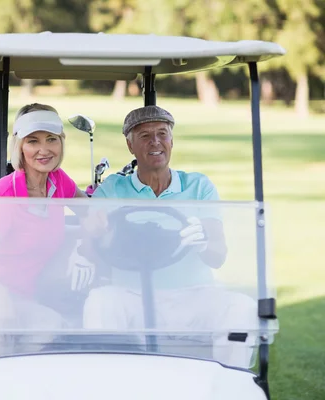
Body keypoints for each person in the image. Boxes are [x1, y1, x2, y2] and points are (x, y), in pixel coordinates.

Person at [80, 105, 259, 368]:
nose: (156, 142)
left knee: (241, 308)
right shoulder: (111, 189)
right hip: (132, 296)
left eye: (162, 134)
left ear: (172, 140)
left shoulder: (198, 186)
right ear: (130, 146)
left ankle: (226, 387)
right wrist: (100, 241)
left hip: (193, 296)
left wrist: (203, 243)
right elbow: (91, 248)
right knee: (99, 303)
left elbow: (218, 256)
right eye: (144, 136)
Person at [0, 103, 89, 365]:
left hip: (17, 294)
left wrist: (85, 246)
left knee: (57, 328)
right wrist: (0, 300)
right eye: (33, 141)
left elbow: (92, 212)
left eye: (51, 140)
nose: (44, 150)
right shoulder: (6, 193)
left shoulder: (58, 181)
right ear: (20, 146)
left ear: (61, 143)